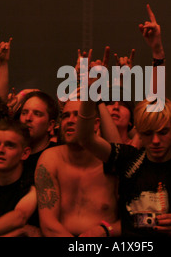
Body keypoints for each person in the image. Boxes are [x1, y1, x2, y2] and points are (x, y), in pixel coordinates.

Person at [77, 96, 171, 237]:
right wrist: (89, 92)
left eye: (163, 132)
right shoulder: (129, 158)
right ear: (139, 132)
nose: (156, 140)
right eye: (148, 133)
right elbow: (85, 139)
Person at [35, 100, 120, 237]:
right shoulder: (50, 159)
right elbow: (48, 225)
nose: (70, 120)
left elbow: (133, 221)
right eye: (65, 116)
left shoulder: (113, 162)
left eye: (78, 115)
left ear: (96, 124)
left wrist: (106, 230)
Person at [16, 90, 59, 182]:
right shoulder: (13, 154)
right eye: (24, 113)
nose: (28, 118)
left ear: (50, 125)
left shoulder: (57, 157)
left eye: (37, 114)